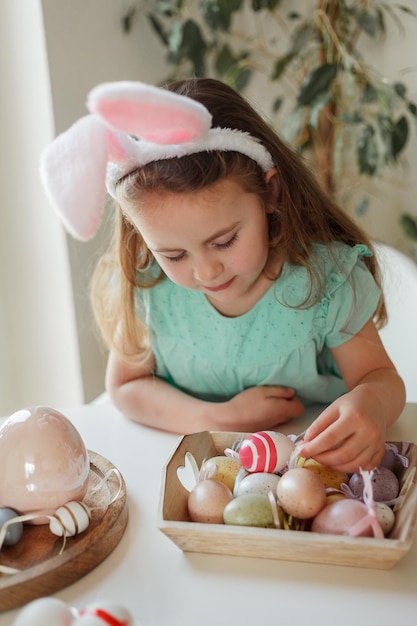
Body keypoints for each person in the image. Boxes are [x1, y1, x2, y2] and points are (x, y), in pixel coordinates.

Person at [40, 78, 405, 474]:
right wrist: (220, 419)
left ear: (270, 193)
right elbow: (126, 388)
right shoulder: (148, 286)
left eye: (225, 240)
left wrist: (372, 403)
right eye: (174, 254)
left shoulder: (325, 282)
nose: (206, 271)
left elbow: (379, 378)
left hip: (311, 469)